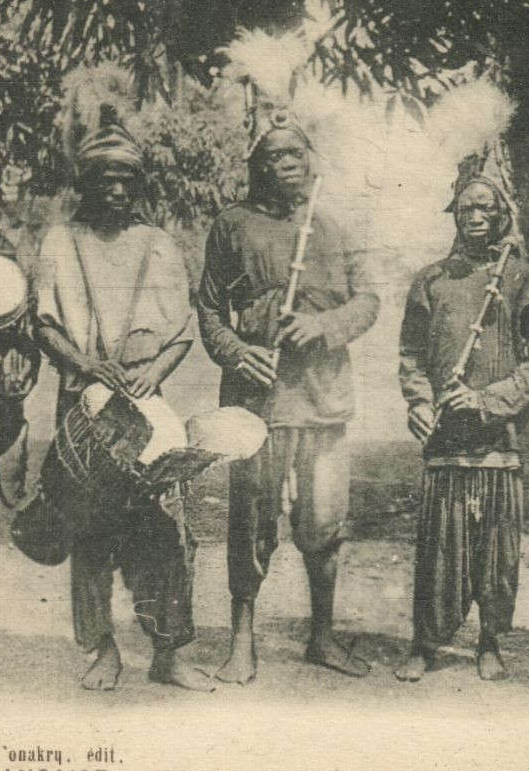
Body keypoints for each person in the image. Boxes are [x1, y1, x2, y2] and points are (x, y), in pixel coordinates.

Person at [196, 112, 380, 685]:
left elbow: (369, 300)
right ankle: (242, 641)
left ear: (310, 162)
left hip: (322, 398)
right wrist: (234, 351)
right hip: (258, 401)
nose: (283, 166)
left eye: (293, 155)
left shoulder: (338, 225)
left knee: (324, 521)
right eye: (271, 157)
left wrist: (324, 327)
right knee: (250, 520)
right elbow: (207, 308)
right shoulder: (232, 225)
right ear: (257, 168)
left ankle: (322, 638)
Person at [33, 107, 210, 692]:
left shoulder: (159, 245)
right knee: (89, 532)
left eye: (125, 179)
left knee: (163, 529)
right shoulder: (60, 241)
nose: (114, 189)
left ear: (139, 185)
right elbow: (45, 326)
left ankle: (168, 650)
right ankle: (101, 649)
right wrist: (86, 366)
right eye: (102, 178)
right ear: (84, 183)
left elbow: (182, 331)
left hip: (143, 403)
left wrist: (152, 373)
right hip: (83, 404)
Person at [395, 151, 529, 682]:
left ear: (503, 214)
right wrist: (419, 400)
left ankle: (489, 641)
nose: (476, 217)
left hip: (499, 439)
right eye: (467, 209)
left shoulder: (524, 280)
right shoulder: (431, 280)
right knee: (439, 546)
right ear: (455, 215)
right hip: (445, 439)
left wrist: (488, 400)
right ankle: (425, 642)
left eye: (486, 208)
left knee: (495, 550)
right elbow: (412, 354)